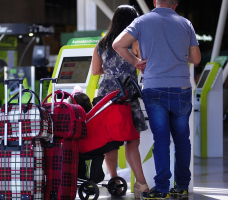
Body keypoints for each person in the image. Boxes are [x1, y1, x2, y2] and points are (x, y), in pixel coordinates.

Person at [113, 0, 201, 199]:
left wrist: (136, 62)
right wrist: (177, 53)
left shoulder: (142, 22)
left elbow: (118, 44)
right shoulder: (186, 24)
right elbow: (195, 59)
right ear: (176, 5)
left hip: (154, 87)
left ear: (154, 2)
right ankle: (182, 186)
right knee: (182, 139)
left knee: (161, 140)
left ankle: (161, 188)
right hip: (181, 87)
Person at [91, 5, 149, 199]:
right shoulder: (133, 41)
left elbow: (95, 71)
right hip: (127, 93)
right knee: (132, 140)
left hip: (106, 95)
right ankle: (141, 183)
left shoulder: (101, 43)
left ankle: (114, 179)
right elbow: (144, 62)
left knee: (110, 140)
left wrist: (111, 72)